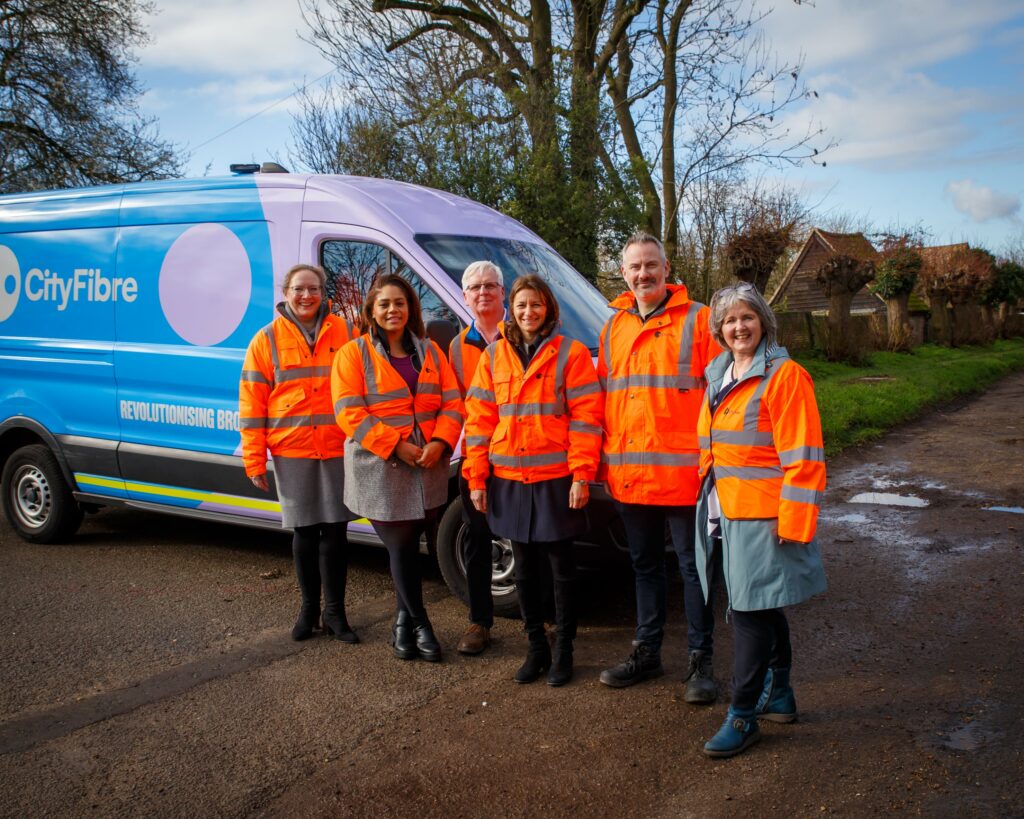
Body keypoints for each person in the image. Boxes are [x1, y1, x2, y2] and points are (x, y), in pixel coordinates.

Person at [696, 282, 827, 758]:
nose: (738, 327)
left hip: (763, 514)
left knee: (747, 612)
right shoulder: (719, 374)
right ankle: (782, 695)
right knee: (764, 605)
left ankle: (743, 714)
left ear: (764, 322)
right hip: (726, 508)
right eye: (729, 320)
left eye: (746, 317)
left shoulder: (785, 376)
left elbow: (805, 457)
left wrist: (793, 522)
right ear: (719, 329)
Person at [597, 233, 723, 702]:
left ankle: (700, 661)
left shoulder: (701, 320)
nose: (643, 274)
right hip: (630, 477)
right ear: (624, 275)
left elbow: (722, 398)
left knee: (694, 571)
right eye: (635, 268)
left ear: (666, 269)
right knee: (644, 568)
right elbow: (605, 401)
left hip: (685, 478)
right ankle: (647, 652)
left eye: (651, 265)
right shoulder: (613, 329)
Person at [464, 275, 603, 686]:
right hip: (507, 477)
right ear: (513, 308)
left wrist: (581, 474)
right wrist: (476, 477)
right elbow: (478, 422)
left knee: (561, 567)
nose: (528, 312)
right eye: (522, 304)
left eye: (536, 305)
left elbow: (587, 418)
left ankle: (564, 650)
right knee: (523, 568)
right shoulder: (493, 356)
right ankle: (535, 648)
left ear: (549, 310)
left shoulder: (571, 354)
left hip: (555, 477)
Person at [331, 273, 464, 663]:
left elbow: (453, 403)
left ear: (411, 309)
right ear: (371, 310)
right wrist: (396, 446)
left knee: (411, 543)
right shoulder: (352, 354)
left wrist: (440, 442)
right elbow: (348, 411)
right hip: (380, 467)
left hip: (428, 467)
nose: (393, 310)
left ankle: (402, 626)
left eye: (400, 303)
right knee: (401, 545)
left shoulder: (431, 352)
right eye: (385, 304)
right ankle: (421, 622)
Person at [239, 263, 360, 643]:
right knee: (305, 532)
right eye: (298, 289)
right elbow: (252, 403)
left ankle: (335, 614)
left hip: (338, 446)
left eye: (312, 289)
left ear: (323, 292)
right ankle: (309, 610)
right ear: (285, 293)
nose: (306, 296)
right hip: (292, 449)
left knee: (336, 532)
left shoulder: (346, 331)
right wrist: (254, 458)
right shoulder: (266, 339)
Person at [449, 261, 506, 656]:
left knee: (533, 540)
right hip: (477, 455)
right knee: (477, 540)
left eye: (490, 285)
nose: (482, 292)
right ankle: (479, 621)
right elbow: (454, 405)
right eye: (474, 287)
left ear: (503, 292)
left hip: (526, 454)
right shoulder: (456, 346)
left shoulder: (523, 333)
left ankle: (547, 619)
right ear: (465, 296)